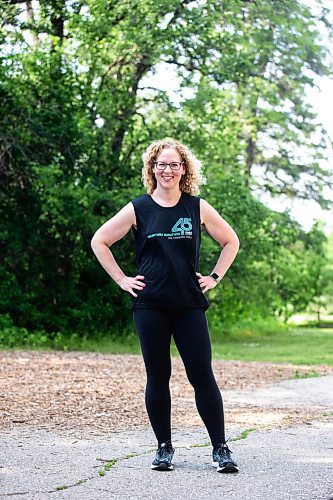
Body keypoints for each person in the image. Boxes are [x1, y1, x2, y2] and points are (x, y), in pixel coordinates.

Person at [91, 138, 240, 473]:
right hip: (151, 307)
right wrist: (121, 279)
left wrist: (214, 276)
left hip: (188, 304)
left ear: (183, 169)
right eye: (161, 164)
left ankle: (220, 449)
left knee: (202, 376)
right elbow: (99, 240)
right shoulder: (138, 208)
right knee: (158, 376)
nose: (167, 170)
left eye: (174, 164)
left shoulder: (196, 207)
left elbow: (231, 240)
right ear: (152, 168)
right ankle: (163, 448)